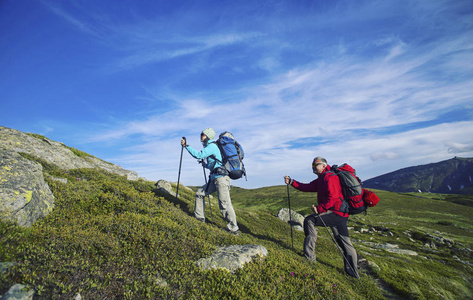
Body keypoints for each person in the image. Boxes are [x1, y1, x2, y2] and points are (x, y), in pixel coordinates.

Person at [284, 156, 359, 278]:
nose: (313, 167)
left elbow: (333, 198)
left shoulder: (329, 177)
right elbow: (307, 187)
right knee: (343, 241)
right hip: (340, 213)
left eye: (316, 165)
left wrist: (320, 209)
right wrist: (292, 182)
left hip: (335, 212)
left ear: (324, 165)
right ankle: (353, 274)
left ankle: (309, 257)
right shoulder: (322, 178)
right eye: (312, 165)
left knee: (309, 221)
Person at [181, 128, 239, 235]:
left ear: (207, 136)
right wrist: (205, 165)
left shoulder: (212, 146)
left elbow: (198, 155)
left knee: (224, 204)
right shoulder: (210, 147)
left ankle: (233, 229)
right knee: (199, 193)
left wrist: (186, 146)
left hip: (221, 179)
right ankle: (199, 218)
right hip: (215, 178)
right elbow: (216, 164)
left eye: (202, 134)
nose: (201, 136)